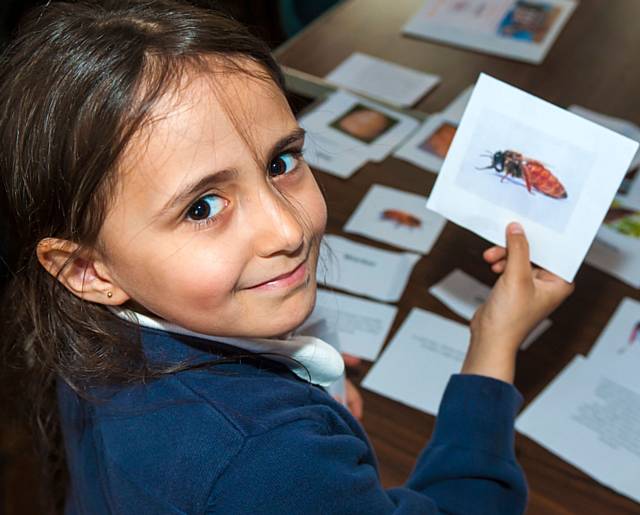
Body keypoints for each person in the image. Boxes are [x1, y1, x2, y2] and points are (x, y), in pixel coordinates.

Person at [0, 1, 574, 513]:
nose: (287, 228)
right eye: (201, 207)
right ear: (88, 270)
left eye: (280, 163)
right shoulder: (270, 462)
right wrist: (493, 345)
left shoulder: (85, 335)